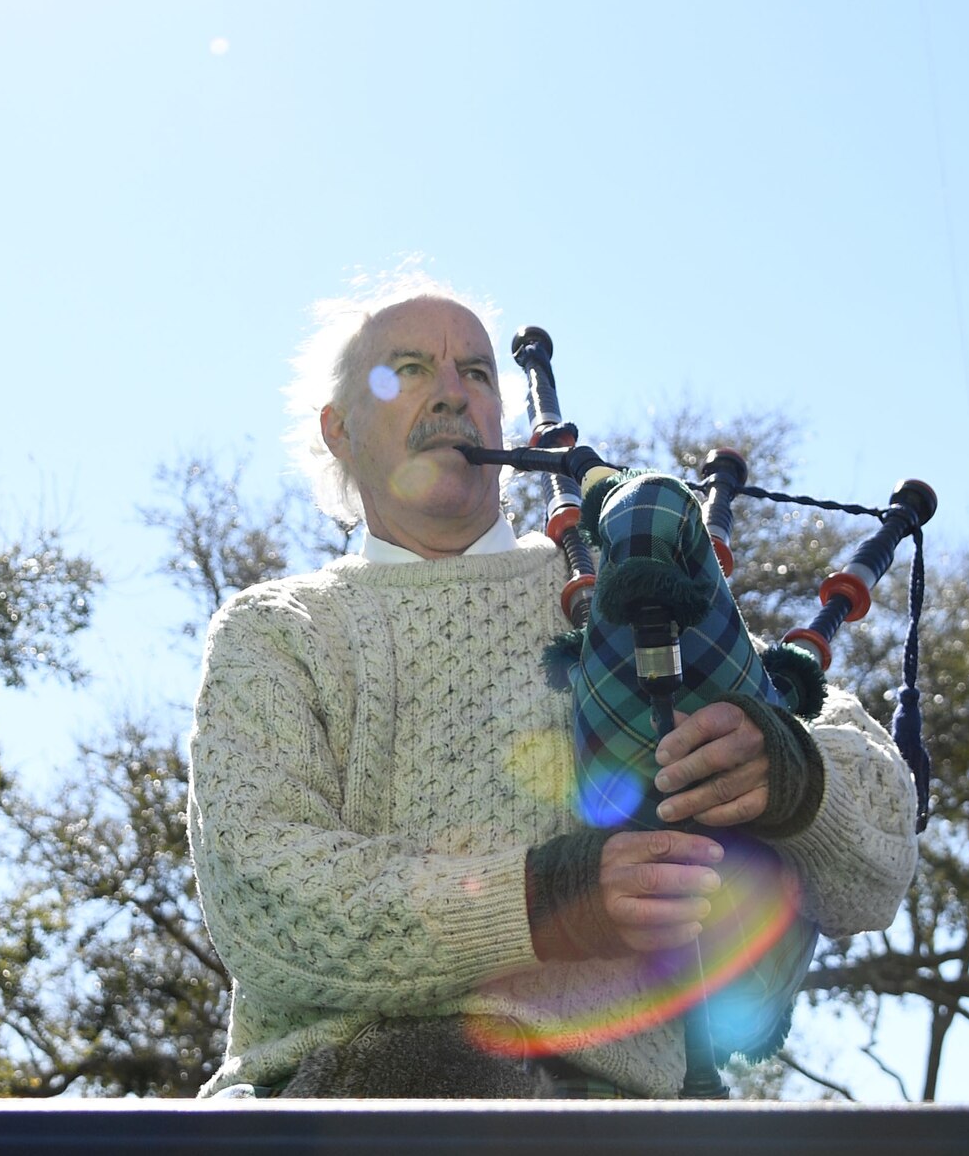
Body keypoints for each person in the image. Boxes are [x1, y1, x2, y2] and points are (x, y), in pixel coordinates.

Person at [187, 284, 919, 1098]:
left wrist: (787, 772)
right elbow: (264, 898)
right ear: (338, 428)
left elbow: (881, 856)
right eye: (407, 370)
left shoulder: (622, 594)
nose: (450, 391)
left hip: (619, 1141)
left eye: (476, 371)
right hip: (339, 1119)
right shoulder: (279, 630)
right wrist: (547, 897)